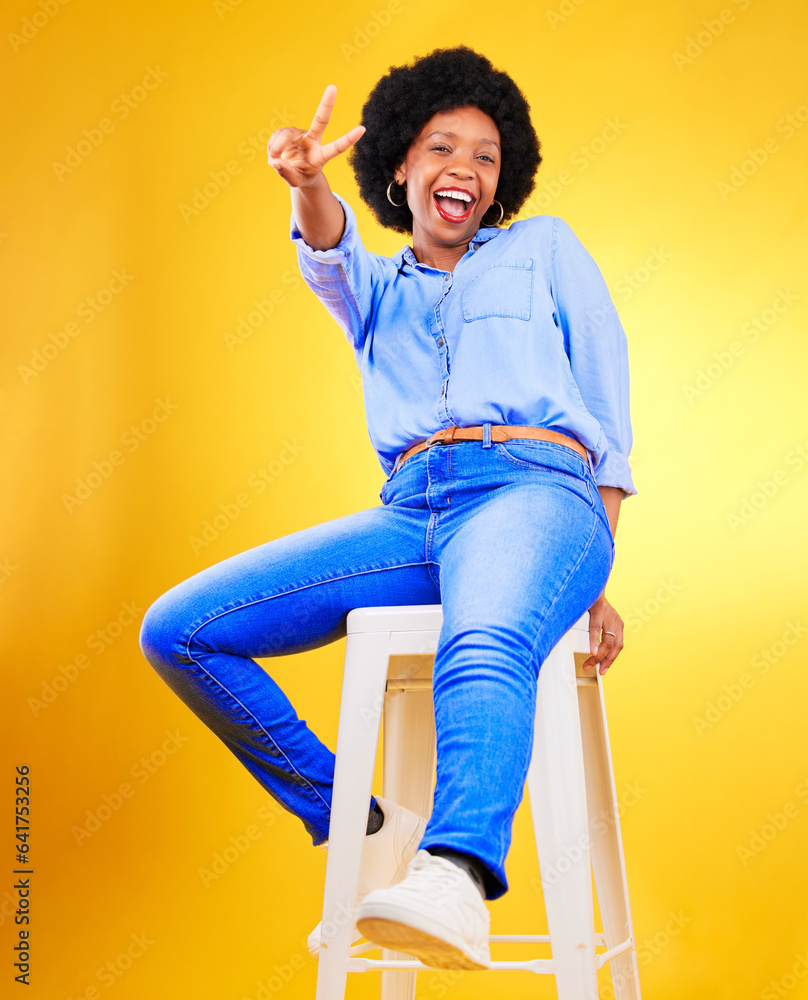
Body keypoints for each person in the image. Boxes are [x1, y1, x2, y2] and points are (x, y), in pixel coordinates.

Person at [139, 45, 637, 972]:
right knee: (180, 629)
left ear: (503, 180)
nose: (467, 168)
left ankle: (454, 870)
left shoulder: (545, 249)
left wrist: (586, 574)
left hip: (537, 489)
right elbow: (327, 242)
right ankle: (358, 825)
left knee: (484, 637)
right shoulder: (372, 289)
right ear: (401, 166)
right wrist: (299, 182)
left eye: (487, 156)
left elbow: (608, 422)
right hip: (414, 512)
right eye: (443, 146)